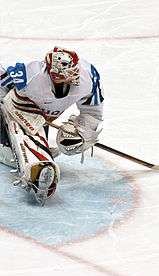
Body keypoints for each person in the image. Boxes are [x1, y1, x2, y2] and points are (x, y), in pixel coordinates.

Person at [0, 46, 104, 204]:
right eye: (68, 74)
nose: (74, 76)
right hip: (18, 105)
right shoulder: (30, 74)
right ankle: (37, 168)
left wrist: (83, 131)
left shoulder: (89, 77)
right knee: (22, 142)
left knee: (23, 143)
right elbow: (2, 81)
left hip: (41, 117)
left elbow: (93, 113)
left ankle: (35, 160)